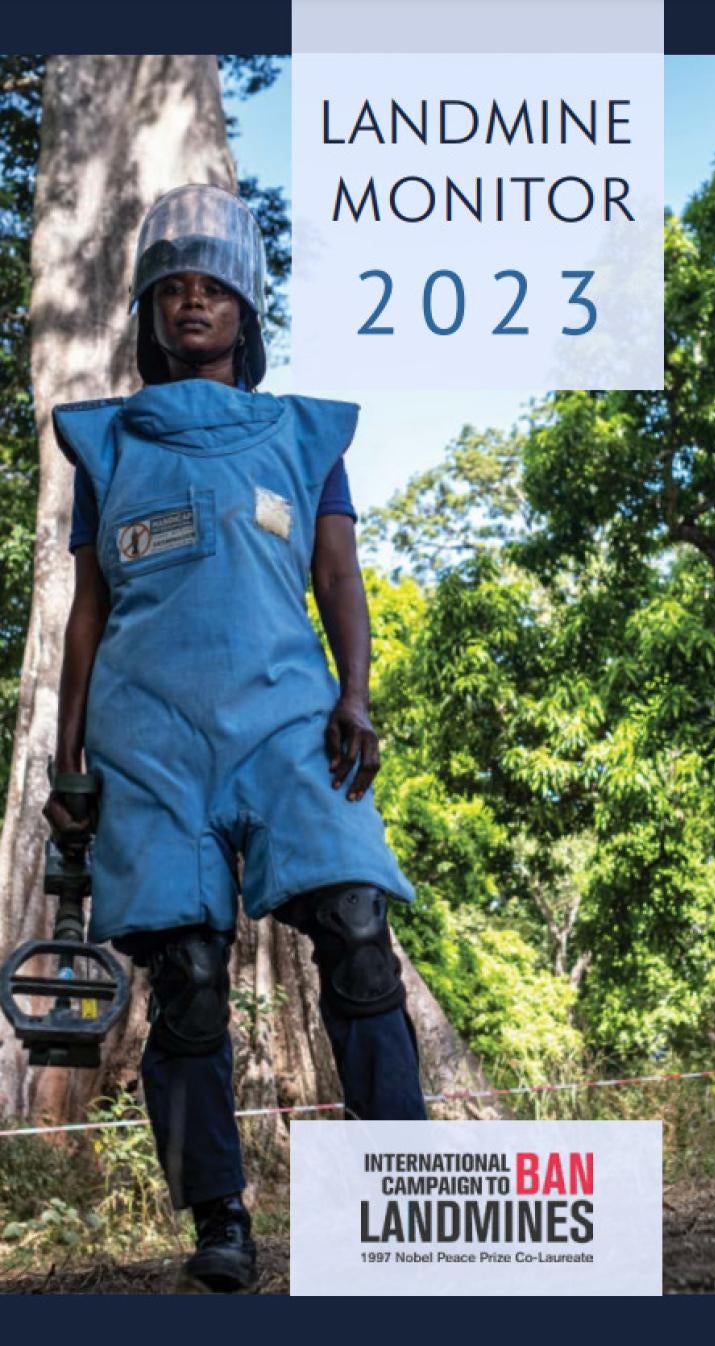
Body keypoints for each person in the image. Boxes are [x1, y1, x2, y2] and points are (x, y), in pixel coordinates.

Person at [42, 184, 427, 1293]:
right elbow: (90, 610)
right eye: (173, 293)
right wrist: (67, 762)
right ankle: (221, 1221)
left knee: (356, 933)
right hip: (147, 737)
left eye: (213, 290)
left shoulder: (306, 435)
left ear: (246, 313)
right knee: (190, 975)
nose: (193, 305)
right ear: (149, 318)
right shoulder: (106, 444)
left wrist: (354, 691)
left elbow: (337, 572)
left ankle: (401, 1197)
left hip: (288, 723)